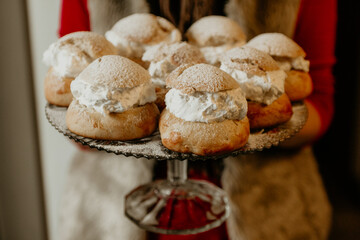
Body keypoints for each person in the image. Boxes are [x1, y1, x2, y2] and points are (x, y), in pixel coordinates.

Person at [57, 0, 337, 239]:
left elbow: (319, 101)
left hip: (265, 211)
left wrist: (239, 113)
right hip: (114, 213)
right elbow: (70, 101)